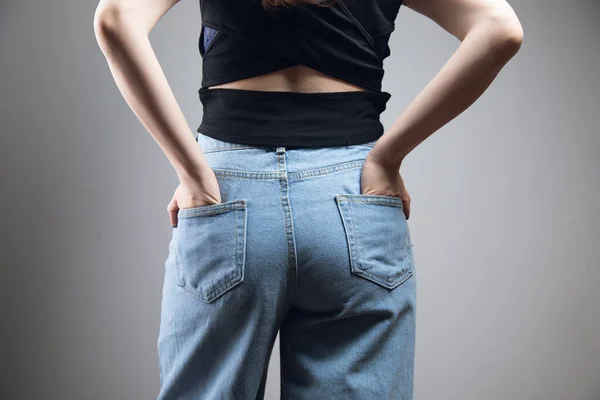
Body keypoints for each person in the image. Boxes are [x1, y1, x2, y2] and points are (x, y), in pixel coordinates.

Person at [93, 0, 523, 398]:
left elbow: (115, 18)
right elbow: (500, 29)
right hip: (354, 196)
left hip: (227, 193)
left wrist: (192, 171)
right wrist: (389, 157)